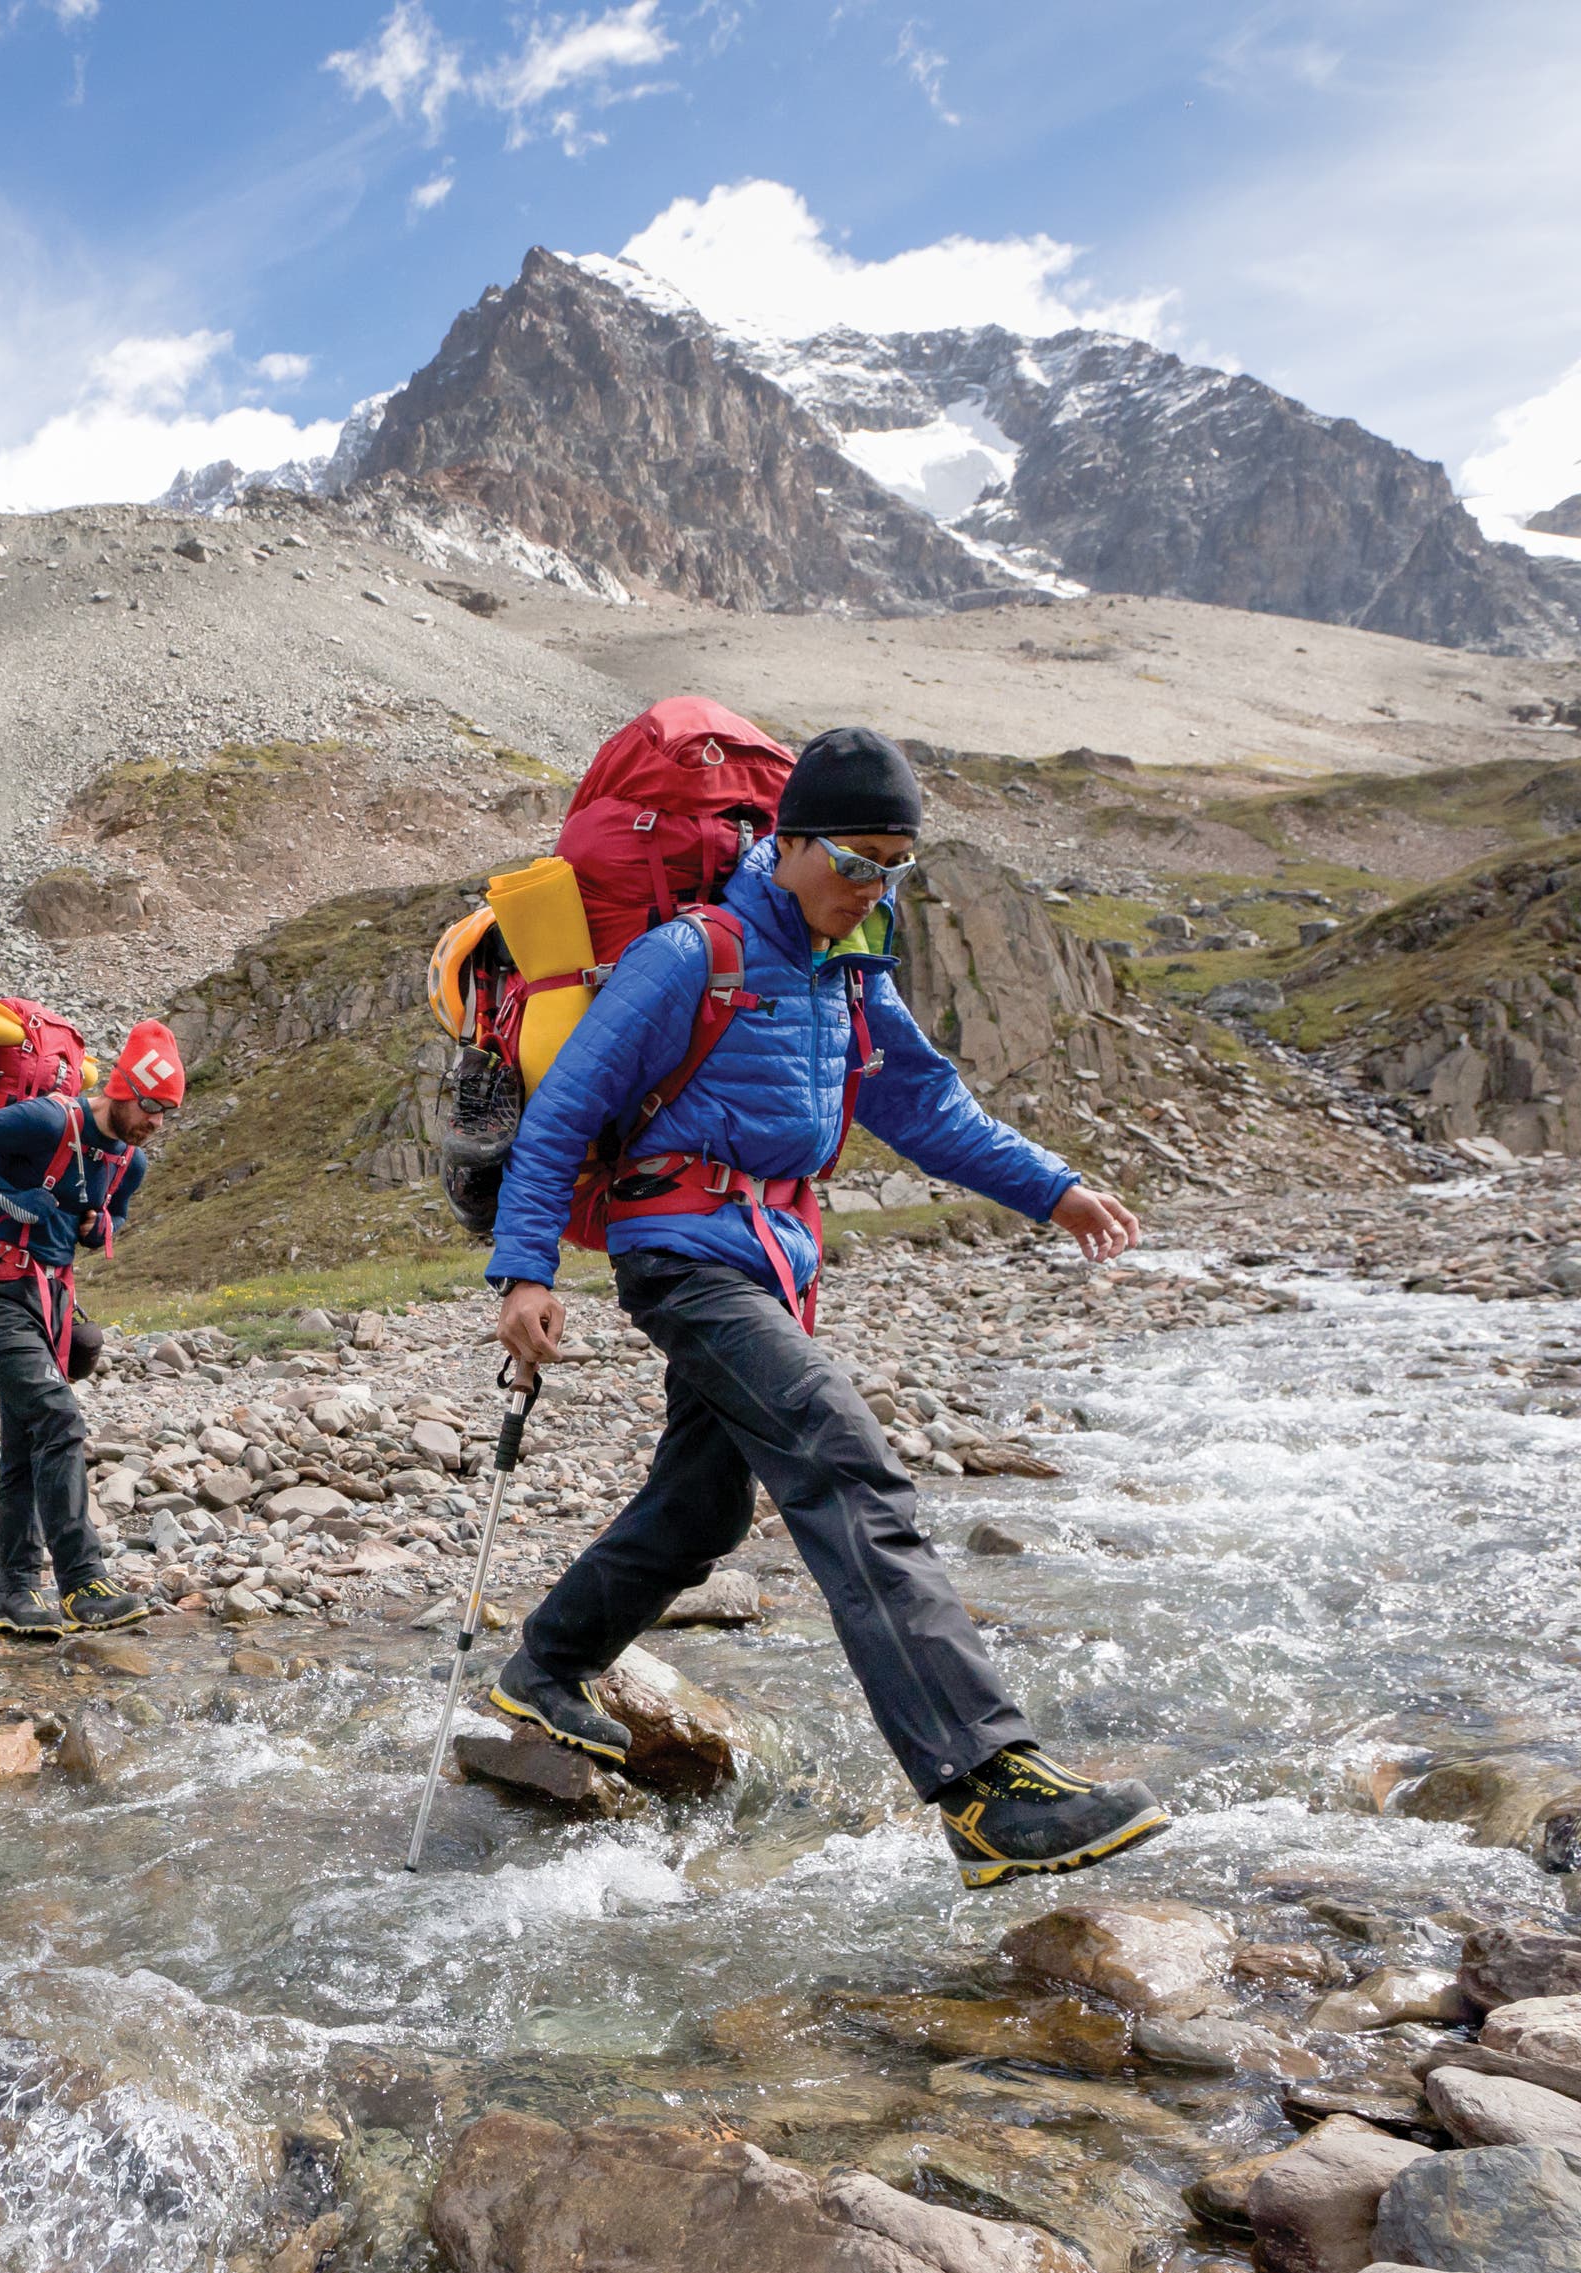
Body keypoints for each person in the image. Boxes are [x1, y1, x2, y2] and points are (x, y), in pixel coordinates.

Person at [481, 728, 1168, 1887]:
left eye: (897, 868)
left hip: (773, 1263)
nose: (874, 889)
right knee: (844, 1461)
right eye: (858, 862)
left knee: (701, 1510)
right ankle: (986, 1785)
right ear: (787, 842)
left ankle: (543, 1669)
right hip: (682, 1255)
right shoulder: (692, 952)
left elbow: (928, 1110)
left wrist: (1052, 1190)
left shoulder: (854, 973)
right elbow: (563, 1116)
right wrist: (525, 1271)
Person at [0, 1020, 183, 1637]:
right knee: (61, 1421)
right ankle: (83, 1582)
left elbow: (107, 1218)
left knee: (28, 1442)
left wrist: (99, 1228)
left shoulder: (131, 1161)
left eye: (168, 1111)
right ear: (122, 1090)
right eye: (152, 1107)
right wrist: (10, 1198)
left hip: (52, 1301)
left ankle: (13, 1593)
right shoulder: (47, 1120)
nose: (157, 1123)